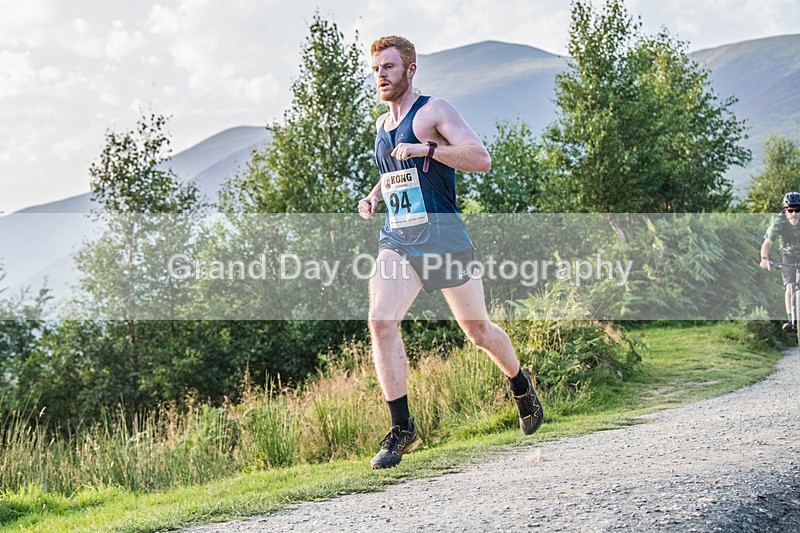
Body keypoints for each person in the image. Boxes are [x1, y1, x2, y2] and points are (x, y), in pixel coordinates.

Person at [357, 35, 543, 470]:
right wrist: (372, 198)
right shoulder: (382, 128)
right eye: (376, 69)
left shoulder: (435, 111)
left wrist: (428, 149)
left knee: (477, 332)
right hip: (399, 238)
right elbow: (392, 177)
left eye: (388, 67)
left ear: (410, 69)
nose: (380, 75)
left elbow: (481, 158)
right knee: (380, 321)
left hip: (444, 238)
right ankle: (402, 427)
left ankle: (520, 384)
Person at [759, 191, 800, 331]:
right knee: (789, 286)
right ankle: (791, 320)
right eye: (790, 210)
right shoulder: (779, 222)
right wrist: (765, 259)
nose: (794, 213)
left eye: (798, 210)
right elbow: (767, 244)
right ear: (785, 210)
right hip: (788, 255)